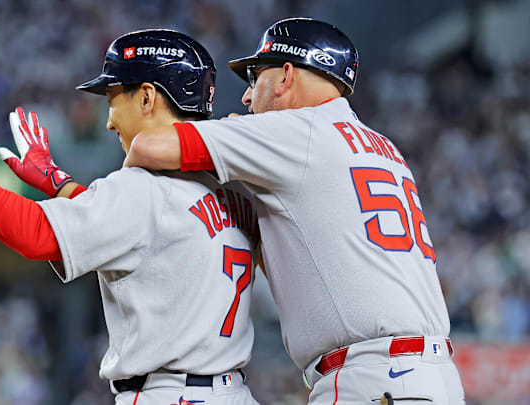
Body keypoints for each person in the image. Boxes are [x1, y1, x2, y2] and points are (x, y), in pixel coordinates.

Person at [0, 29, 261, 405]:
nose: (108, 122)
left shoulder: (142, 187)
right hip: (234, 393)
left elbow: (33, 233)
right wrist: (60, 184)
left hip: (169, 395)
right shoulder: (234, 189)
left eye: (112, 99)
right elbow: (148, 226)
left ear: (146, 97)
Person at [124, 18, 465, 404]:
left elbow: (148, 145)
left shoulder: (296, 131)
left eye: (255, 78)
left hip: (376, 380)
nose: (247, 97)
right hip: (428, 377)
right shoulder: (383, 146)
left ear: (285, 75)